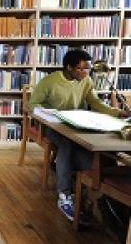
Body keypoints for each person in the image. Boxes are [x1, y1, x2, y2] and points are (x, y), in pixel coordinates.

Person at [29, 49, 129, 222]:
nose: (86, 73)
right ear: (69, 67)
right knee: (67, 144)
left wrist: (116, 112)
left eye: (88, 69)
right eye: (81, 69)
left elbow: (95, 103)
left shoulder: (86, 81)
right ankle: (64, 195)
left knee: (101, 142)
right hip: (52, 125)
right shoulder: (49, 81)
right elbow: (32, 104)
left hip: (76, 122)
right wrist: (49, 113)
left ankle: (93, 183)